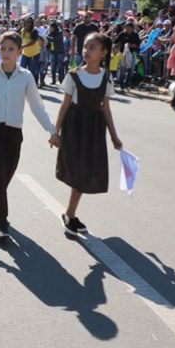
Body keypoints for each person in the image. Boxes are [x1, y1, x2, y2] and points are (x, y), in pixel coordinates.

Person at [0, 31, 58, 238]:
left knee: (6, 174)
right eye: (3, 48)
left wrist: (51, 131)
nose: (6, 52)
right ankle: (2, 222)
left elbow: (37, 106)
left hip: (15, 132)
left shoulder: (25, 77)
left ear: (19, 52)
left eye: (11, 49)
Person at [54, 32, 122, 234]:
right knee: (78, 173)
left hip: (94, 131)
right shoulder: (74, 75)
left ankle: (70, 214)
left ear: (103, 52)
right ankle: (70, 215)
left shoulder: (106, 78)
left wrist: (113, 136)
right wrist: (55, 132)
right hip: (74, 130)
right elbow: (64, 106)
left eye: (92, 47)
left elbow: (105, 109)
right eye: (85, 47)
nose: (86, 51)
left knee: (84, 173)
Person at [19, 16, 41, 85]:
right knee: (21, 69)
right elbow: (20, 39)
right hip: (25, 53)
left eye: (29, 22)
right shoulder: (22, 30)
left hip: (34, 54)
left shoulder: (34, 31)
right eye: (26, 22)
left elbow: (33, 41)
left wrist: (23, 46)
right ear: (24, 22)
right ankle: (22, 85)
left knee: (32, 71)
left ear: (32, 23)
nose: (28, 24)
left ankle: (33, 86)